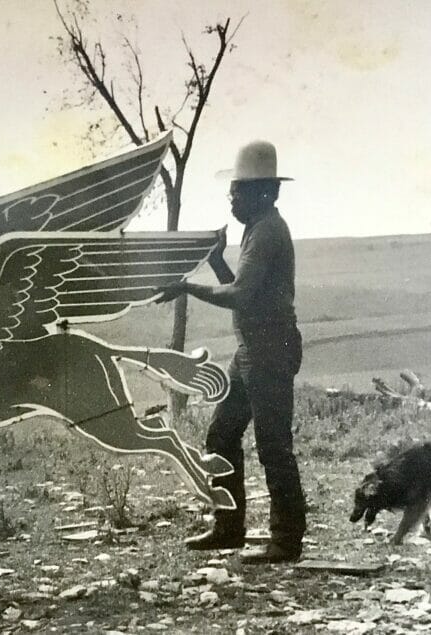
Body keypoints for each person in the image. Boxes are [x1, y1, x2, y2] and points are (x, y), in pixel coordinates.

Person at [155, 141, 306, 563]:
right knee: (221, 435)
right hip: (252, 352)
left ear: (263, 192)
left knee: (274, 445)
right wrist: (217, 260)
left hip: (268, 352)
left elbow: (240, 294)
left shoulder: (268, 231)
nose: (232, 198)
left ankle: (287, 540)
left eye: (238, 190)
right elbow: (246, 291)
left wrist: (186, 285)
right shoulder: (260, 228)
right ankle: (228, 528)